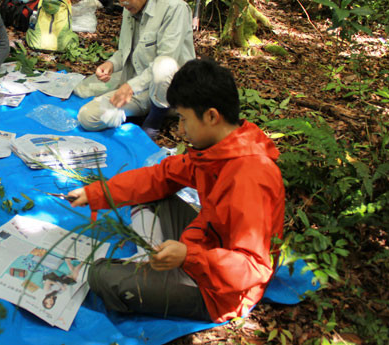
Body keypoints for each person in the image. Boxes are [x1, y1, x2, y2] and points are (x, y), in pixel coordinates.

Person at [67, 59, 285, 322]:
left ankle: (159, 272)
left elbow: (253, 267)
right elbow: (160, 177)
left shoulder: (249, 178)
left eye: (184, 119)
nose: (180, 130)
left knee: (100, 276)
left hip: (220, 291)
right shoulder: (217, 151)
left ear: (212, 116)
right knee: (149, 195)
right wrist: (95, 194)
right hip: (204, 243)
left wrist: (188, 257)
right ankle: (158, 266)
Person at [73, 0, 195, 138]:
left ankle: (156, 117)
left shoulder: (174, 8)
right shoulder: (128, 9)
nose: (121, 2)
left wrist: (130, 87)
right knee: (87, 117)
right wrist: (111, 64)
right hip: (139, 86)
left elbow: (168, 60)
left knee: (163, 65)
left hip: (171, 89)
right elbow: (125, 51)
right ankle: (143, 111)